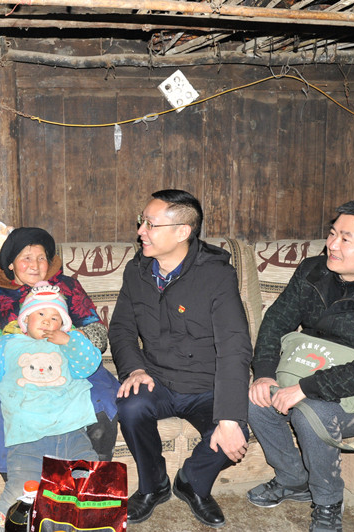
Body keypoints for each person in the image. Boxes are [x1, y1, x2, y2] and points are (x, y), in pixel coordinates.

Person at [247, 197, 354, 532]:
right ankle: (292, 479)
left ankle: (328, 502)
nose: (332, 244)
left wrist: (305, 389)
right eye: (332, 233)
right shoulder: (312, 271)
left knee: (312, 413)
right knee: (255, 400)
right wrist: (265, 373)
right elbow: (276, 322)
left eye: (345, 239)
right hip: (308, 369)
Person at [109, 189, 253, 528]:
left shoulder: (217, 275)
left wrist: (229, 417)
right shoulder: (137, 271)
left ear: (182, 232)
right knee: (130, 405)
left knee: (234, 434)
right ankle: (153, 485)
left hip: (206, 385)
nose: (141, 231)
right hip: (158, 378)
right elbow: (121, 329)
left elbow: (235, 345)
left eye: (150, 224)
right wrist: (134, 369)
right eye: (141, 222)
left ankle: (192, 483)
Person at [0, 227, 120, 478]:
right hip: (14, 376)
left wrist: (71, 340)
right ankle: (25, 486)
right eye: (26, 258)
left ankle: (88, 480)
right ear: (11, 264)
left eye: (41, 258)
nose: (35, 265)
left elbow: (97, 331)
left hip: (70, 364)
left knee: (101, 400)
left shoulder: (67, 287)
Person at [0, 282, 101, 531]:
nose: (47, 321)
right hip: (27, 439)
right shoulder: (6, 345)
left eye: (55, 317)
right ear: (25, 319)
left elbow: (89, 365)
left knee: (90, 486)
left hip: (72, 433)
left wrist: (70, 341)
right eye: (41, 313)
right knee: (20, 493)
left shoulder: (70, 343)